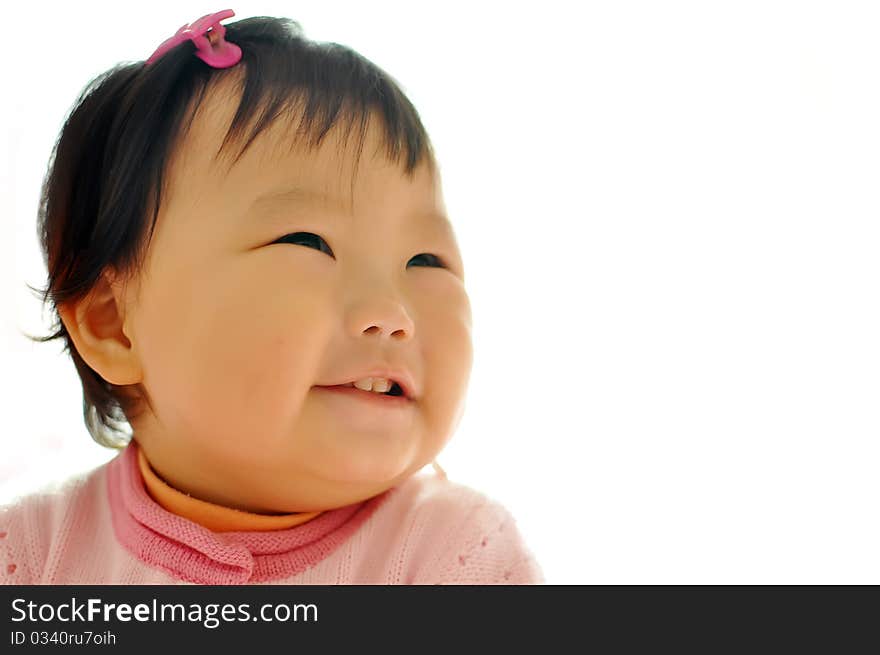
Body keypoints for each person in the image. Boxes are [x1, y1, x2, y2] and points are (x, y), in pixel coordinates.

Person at [0, 10, 542, 584]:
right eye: (308, 242)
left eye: (426, 260)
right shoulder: (32, 558)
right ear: (115, 324)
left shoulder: (457, 558)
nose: (392, 313)